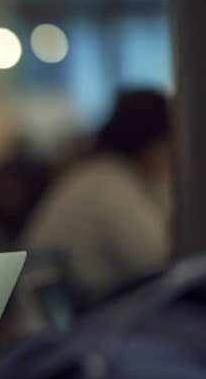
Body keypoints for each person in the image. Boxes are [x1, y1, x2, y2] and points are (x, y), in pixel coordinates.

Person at [23, 88, 173, 304]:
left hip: (74, 313)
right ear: (153, 142)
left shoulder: (98, 175)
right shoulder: (108, 184)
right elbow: (160, 258)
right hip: (61, 325)